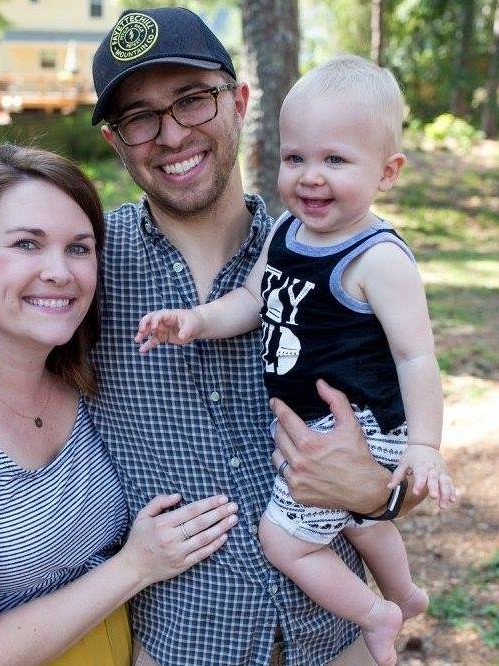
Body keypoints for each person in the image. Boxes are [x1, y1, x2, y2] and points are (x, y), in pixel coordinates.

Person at [0, 8, 429, 665]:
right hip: (180, 646)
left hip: (336, 638)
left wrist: (376, 492)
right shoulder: (85, 264)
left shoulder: (330, 260)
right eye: (139, 117)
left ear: (239, 102)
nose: (171, 133)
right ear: (115, 140)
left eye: (192, 99)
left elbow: (410, 441)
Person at [0, 144, 238, 666]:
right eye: (26, 244)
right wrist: (136, 565)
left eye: (79, 248)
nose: (60, 272)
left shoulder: (80, 370)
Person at [135, 55, 456, 666]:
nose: (311, 177)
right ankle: (404, 591)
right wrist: (197, 321)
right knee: (356, 517)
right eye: (295, 158)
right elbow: (251, 300)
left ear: (387, 172)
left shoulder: (378, 258)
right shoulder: (286, 233)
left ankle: (376, 614)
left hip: (362, 424)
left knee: (284, 541)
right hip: (315, 426)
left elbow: (416, 356)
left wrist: (425, 445)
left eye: (335, 160)